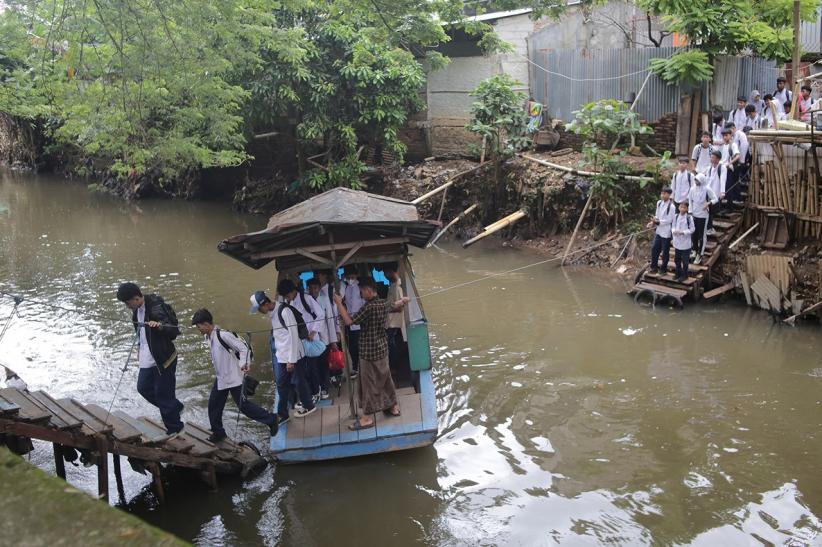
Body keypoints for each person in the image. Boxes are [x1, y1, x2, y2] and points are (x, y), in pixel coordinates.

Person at [333, 277, 409, 431]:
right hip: (382, 349)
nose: (361, 294)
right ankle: (393, 407)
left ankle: (367, 418)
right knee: (386, 378)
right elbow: (394, 305)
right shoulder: (382, 303)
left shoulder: (368, 308)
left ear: (368, 290)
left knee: (368, 384)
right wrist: (403, 301)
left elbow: (349, 321)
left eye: (362, 291)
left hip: (368, 353)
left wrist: (339, 303)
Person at [191, 309, 279, 443]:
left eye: (199, 327)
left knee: (244, 406)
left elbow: (244, 348)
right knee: (213, 405)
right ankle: (218, 432)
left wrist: (244, 363)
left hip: (234, 378)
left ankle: (271, 420)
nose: (199, 330)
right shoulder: (208, 336)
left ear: (206, 324)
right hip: (222, 378)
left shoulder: (224, 335)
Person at [116, 282, 184, 436]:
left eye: (127, 303)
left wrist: (159, 325)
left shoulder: (155, 307)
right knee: (143, 388)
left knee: (163, 395)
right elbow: (140, 335)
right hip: (147, 358)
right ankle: (175, 407)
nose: (127, 306)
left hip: (163, 359)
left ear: (136, 298)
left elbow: (174, 330)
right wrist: (139, 348)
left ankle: (175, 429)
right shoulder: (136, 313)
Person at [250, 286, 316, 422]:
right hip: (281, 355)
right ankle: (283, 413)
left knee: (299, 381)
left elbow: (293, 336)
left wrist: (291, 360)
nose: (259, 312)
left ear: (265, 304)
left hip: (294, 355)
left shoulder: (284, 311)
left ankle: (309, 406)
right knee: (281, 383)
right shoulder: (272, 313)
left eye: (259, 309)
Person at [305, 278, 333, 400]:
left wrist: (333, 340)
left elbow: (330, 319)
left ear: (319, 288)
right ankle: (316, 389)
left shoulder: (324, 299)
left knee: (324, 364)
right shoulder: (305, 300)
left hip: (324, 337)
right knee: (313, 366)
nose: (313, 291)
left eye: (315, 288)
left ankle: (325, 387)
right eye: (310, 288)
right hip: (311, 339)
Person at [382, 263, 408, 377]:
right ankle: (394, 366)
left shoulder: (397, 287)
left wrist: (385, 310)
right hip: (390, 322)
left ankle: (394, 367)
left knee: (391, 345)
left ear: (390, 272)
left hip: (394, 322)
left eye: (385, 273)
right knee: (390, 344)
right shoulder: (392, 285)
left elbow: (400, 308)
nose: (385, 275)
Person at [688, 173, 719, 264]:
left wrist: (708, 203)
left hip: (703, 215)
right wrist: (690, 212)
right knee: (694, 233)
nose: (696, 182)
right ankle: (694, 250)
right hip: (694, 214)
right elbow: (690, 200)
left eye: (698, 180)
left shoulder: (707, 189)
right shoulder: (692, 189)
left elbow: (715, 199)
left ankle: (700, 254)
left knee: (702, 235)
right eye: (695, 180)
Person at [342, 267, 364, 376]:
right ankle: (355, 367)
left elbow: (364, 303)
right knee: (351, 346)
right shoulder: (345, 287)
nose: (350, 279)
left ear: (356, 276)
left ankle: (363, 367)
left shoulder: (360, 288)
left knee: (361, 345)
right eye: (348, 277)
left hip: (360, 321)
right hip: (348, 321)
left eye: (352, 277)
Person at [647, 187, 675, 274]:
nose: (662, 195)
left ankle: (663, 269)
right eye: (662, 193)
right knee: (654, 249)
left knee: (665, 251)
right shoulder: (659, 203)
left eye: (664, 194)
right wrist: (652, 222)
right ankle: (653, 267)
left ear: (669, 195)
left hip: (666, 232)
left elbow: (670, 220)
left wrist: (658, 222)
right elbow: (657, 215)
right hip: (659, 231)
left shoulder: (672, 206)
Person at [703, 150, 727, 234]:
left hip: (715, 192)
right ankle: (708, 227)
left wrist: (722, 192)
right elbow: (706, 179)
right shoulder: (709, 168)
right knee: (708, 210)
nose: (711, 159)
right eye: (711, 157)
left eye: (713, 157)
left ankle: (709, 227)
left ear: (718, 159)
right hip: (708, 192)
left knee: (711, 211)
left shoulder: (722, 167)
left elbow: (723, 180)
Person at [671, 201, 695, 283]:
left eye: (684, 207)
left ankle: (685, 275)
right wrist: (674, 231)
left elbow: (692, 229)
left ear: (687, 209)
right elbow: (673, 226)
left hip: (686, 244)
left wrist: (683, 232)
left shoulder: (689, 218)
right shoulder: (676, 216)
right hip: (677, 242)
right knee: (677, 259)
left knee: (685, 261)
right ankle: (678, 273)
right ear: (678, 207)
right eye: (681, 207)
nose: (682, 209)